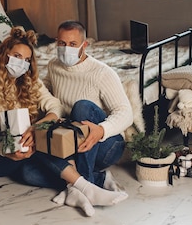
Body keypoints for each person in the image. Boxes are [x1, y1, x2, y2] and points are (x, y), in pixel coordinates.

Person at [0, 27, 127, 216]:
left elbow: (56, 106)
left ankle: (78, 189)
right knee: (37, 146)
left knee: (29, 172)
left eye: (27, 60)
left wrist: (37, 126)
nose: (21, 63)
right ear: (5, 55)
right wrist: (8, 152)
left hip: (24, 151)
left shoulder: (29, 82)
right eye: (17, 56)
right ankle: (92, 184)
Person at [45, 20, 134, 198]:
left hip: (105, 144)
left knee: (82, 107)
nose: (66, 48)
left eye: (72, 44)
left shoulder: (101, 73)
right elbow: (46, 92)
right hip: (73, 141)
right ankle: (97, 179)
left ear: (84, 46)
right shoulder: (54, 66)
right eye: (62, 43)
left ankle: (83, 185)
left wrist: (101, 130)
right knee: (28, 173)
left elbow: (126, 113)